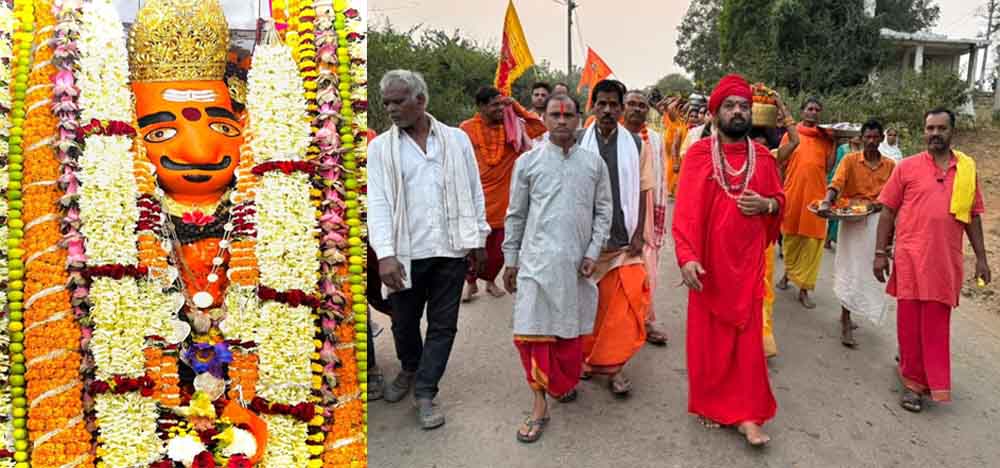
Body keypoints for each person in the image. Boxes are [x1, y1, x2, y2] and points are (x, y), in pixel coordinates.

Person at [368, 69, 490, 429]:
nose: (390, 108)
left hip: (450, 250)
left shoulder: (455, 140)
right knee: (403, 323)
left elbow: (473, 188)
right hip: (405, 254)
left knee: (443, 326)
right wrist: (385, 254)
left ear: (420, 100)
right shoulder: (380, 149)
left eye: (398, 100)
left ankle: (425, 391)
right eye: (386, 101)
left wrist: (478, 240)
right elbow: (377, 202)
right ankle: (409, 366)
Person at [673, 74, 784, 446]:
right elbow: (686, 212)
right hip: (709, 266)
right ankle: (711, 404)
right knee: (710, 341)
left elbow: (779, 202)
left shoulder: (764, 157)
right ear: (716, 112)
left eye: (744, 107)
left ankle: (748, 416)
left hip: (748, 264)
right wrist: (687, 257)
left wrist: (767, 204)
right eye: (730, 106)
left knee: (748, 342)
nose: (738, 112)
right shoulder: (699, 156)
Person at [502, 93, 613, 443]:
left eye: (568, 114)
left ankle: (560, 385)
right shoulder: (528, 162)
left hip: (576, 267)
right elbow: (516, 215)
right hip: (536, 264)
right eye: (555, 114)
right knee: (530, 335)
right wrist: (510, 260)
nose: (562, 120)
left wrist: (593, 252)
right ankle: (539, 405)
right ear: (545, 118)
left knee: (567, 337)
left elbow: (604, 212)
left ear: (580, 118)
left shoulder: (594, 164)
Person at [874, 107, 991, 413]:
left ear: (952, 131)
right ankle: (913, 383)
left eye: (941, 128)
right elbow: (887, 210)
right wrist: (879, 253)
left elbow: (973, 217)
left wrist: (982, 258)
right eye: (930, 128)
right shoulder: (907, 167)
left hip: (944, 261)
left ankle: (931, 378)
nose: (935, 134)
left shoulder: (966, 170)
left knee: (936, 325)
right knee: (910, 324)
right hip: (910, 258)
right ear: (923, 131)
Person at [577, 79, 653, 396]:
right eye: (602, 104)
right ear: (593, 106)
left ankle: (616, 369)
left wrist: (639, 234)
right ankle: (589, 361)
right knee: (591, 309)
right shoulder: (578, 140)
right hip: (588, 242)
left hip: (624, 241)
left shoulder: (636, 145)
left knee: (623, 309)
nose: (608, 110)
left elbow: (644, 189)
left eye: (613, 105)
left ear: (621, 109)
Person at [460, 87, 546, 302]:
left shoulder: (513, 128)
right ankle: (470, 284)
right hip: (475, 201)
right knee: (472, 249)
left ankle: (490, 281)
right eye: (495, 104)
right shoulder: (466, 129)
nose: (500, 108)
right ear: (480, 107)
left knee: (498, 252)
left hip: (504, 201)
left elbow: (540, 126)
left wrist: (515, 106)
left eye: (502, 104)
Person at [818, 120, 894, 348]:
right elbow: (836, 183)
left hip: (876, 222)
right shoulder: (850, 160)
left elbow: (894, 196)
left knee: (870, 269)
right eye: (867, 137)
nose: (871, 141)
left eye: (875, 137)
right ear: (861, 139)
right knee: (849, 267)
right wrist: (826, 202)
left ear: (881, 139)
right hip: (851, 218)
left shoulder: (891, 165)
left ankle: (861, 310)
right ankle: (845, 317)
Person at [750, 98, 798, 359]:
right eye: (754, 145)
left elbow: (795, 141)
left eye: (763, 145)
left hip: (766, 231)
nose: (759, 149)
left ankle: (763, 336)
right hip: (742, 233)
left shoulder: (772, 157)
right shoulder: (739, 159)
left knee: (764, 284)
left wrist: (781, 108)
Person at [777, 97, 835, 309]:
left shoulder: (825, 139)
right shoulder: (790, 135)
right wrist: (780, 190)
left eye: (817, 109)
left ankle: (804, 290)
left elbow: (828, 168)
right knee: (791, 239)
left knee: (812, 243)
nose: (813, 112)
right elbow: (780, 164)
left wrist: (835, 141)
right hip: (792, 193)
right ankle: (787, 274)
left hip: (816, 197)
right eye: (809, 108)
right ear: (802, 111)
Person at [622, 90, 670, 346]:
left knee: (647, 268)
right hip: (619, 214)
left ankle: (647, 320)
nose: (637, 109)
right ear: (623, 107)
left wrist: (658, 217)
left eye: (642, 105)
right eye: (631, 104)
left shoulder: (655, 139)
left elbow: (660, 179)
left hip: (648, 212)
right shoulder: (611, 137)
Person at [825, 134, 864, 250]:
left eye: (859, 136)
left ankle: (842, 240)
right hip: (841, 183)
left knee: (849, 210)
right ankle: (829, 238)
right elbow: (837, 166)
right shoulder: (843, 149)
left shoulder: (863, 151)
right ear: (850, 137)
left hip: (854, 185)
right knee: (836, 211)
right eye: (855, 135)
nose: (857, 138)